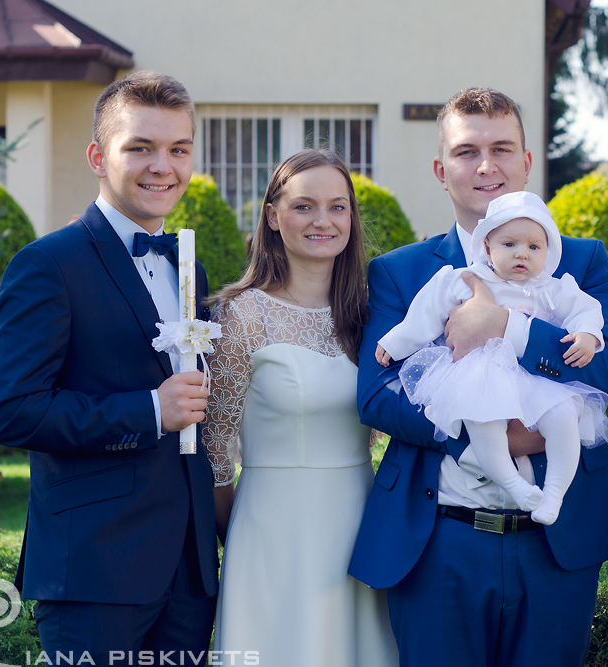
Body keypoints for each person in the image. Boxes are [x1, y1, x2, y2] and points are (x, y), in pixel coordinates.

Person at [349, 87, 608, 667]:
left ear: (527, 162)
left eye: (502, 148)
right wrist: (487, 436)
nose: (487, 166)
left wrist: (505, 325)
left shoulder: (579, 261)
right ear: (441, 169)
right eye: (467, 151)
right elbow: (376, 395)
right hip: (437, 539)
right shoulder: (400, 271)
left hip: (553, 547)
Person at [0, 71, 218, 664]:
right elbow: (12, 411)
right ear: (97, 155)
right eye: (140, 147)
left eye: (178, 149)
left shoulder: (188, 267)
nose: (162, 165)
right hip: (94, 567)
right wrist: (148, 410)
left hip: (187, 572)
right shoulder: (47, 264)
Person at [206, 150, 397, 666]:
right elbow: (215, 452)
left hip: (361, 524)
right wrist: (241, 533)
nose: (323, 221)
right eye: (304, 206)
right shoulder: (242, 315)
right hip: (273, 530)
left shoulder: (372, 315)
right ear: (272, 216)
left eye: (338, 207)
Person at [376, 191, 608, 525]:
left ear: (547, 251)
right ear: (487, 247)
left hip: (535, 378)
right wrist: (396, 342)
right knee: (483, 421)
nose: (522, 255)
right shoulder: (467, 279)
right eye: (509, 245)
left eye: (534, 247)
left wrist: (588, 334)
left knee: (563, 418)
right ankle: (513, 484)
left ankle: (554, 493)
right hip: (482, 372)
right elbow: (427, 310)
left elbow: (585, 309)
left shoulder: (550, 287)